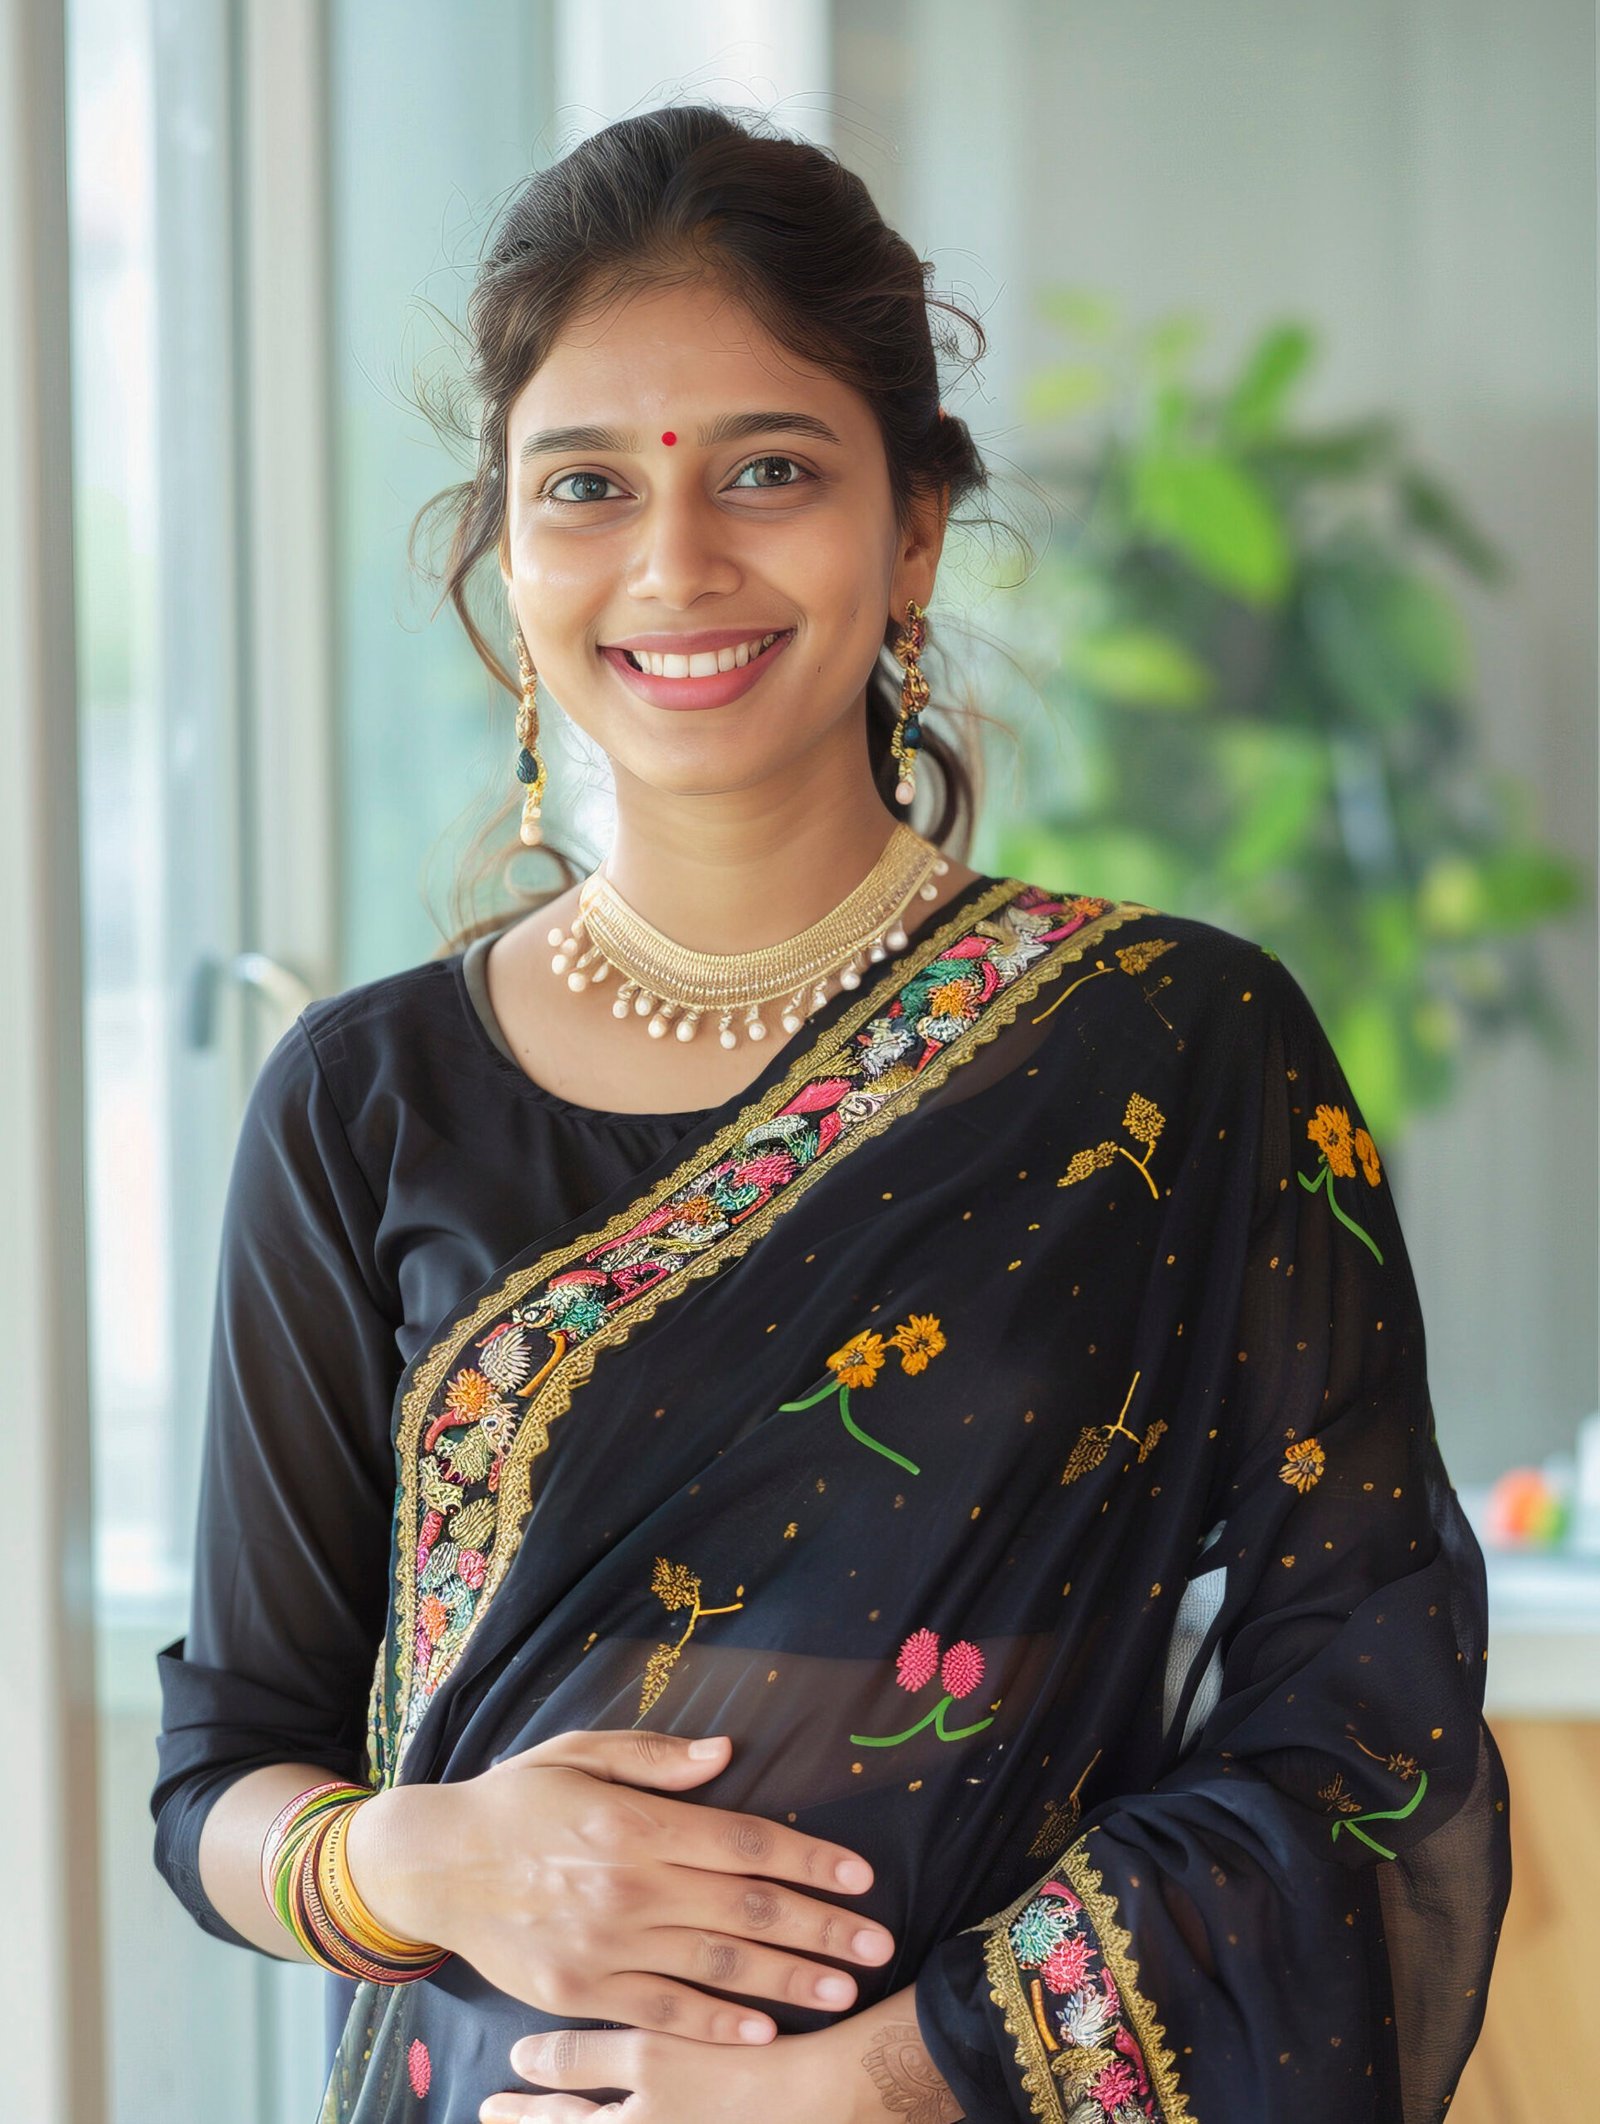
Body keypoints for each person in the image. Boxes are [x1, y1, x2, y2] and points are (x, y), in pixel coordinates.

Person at [151, 105, 1509, 2124]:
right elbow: (220, 1777)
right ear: (508, 558)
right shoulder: (364, 1101)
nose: (673, 562)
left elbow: (1366, 1741)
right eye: (586, 486)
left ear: (914, 532)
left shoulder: (1177, 1051)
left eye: (768, 470)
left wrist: (881, 2079)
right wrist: (418, 1861)